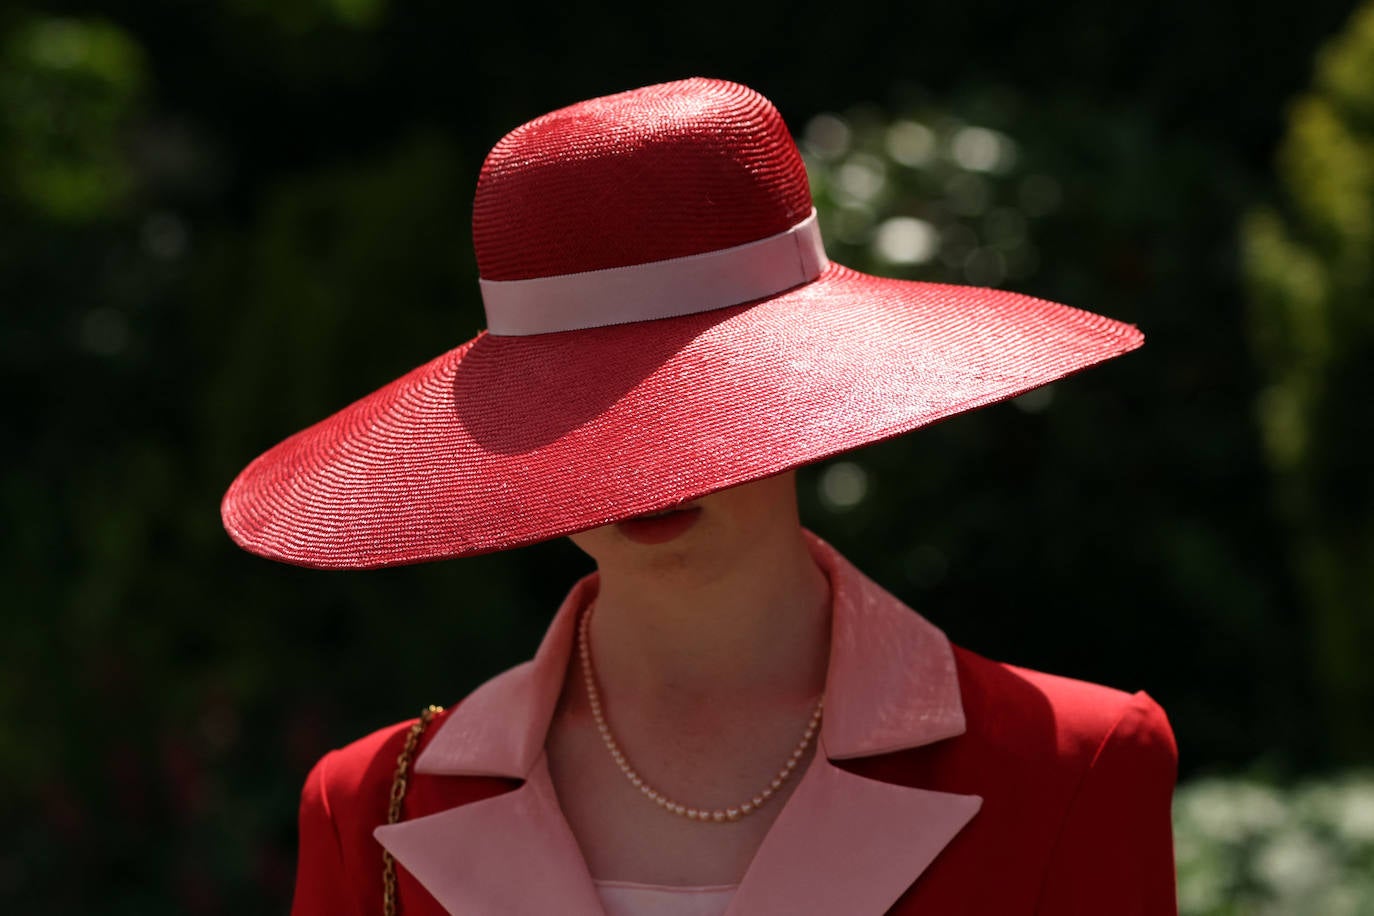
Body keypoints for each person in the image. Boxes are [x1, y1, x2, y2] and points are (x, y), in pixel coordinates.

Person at [223, 78, 1178, 916]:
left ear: (810, 389)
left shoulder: (1074, 768)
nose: (650, 468)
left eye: (692, 405)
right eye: (581, 414)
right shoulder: (369, 803)